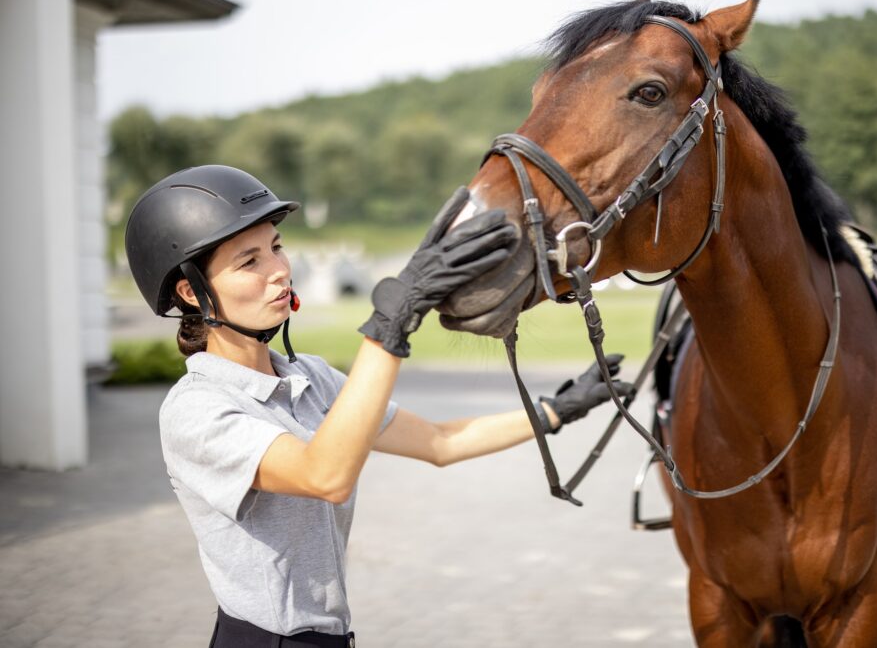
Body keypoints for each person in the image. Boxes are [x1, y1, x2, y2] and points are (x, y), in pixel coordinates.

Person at [124, 165, 631, 647]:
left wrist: (555, 411)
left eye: (276, 247)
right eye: (249, 261)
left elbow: (439, 442)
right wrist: (389, 326)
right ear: (192, 292)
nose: (280, 271)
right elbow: (325, 474)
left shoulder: (312, 378)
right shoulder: (196, 409)